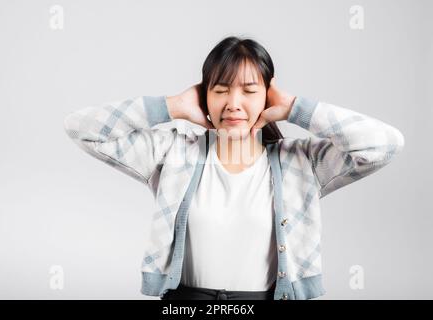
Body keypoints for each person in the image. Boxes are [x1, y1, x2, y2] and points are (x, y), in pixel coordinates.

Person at [63, 36, 404, 300]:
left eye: (250, 91)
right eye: (221, 90)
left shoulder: (301, 163)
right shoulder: (173, 153)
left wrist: (296, 108)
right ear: (204, 96)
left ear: (268, 97)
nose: (233, 103)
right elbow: (82, 129)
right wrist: (173, 107)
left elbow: (384, 145)